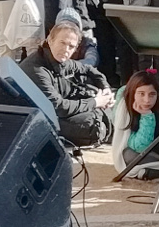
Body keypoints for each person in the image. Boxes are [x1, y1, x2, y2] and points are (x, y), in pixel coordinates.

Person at [21, 18, 115, 149]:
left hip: (56, 111)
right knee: (92, 125)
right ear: (50, 40)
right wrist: (95, 102)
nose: (66, 49)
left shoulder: (59, 58)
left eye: (71, 46)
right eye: (62, 43)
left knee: (97, 100)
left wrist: (105, 88)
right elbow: (59, 107)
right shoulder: (37, 69)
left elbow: (89, 69)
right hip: (32, 120)